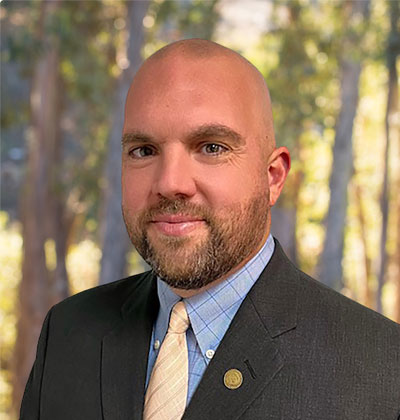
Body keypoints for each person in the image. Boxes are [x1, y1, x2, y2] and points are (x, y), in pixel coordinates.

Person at [21, 39, 400, 420]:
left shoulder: (382, 369)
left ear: (272, 177)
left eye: (212, 147)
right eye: (144, 150)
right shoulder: (68, 333)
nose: (170, 183)